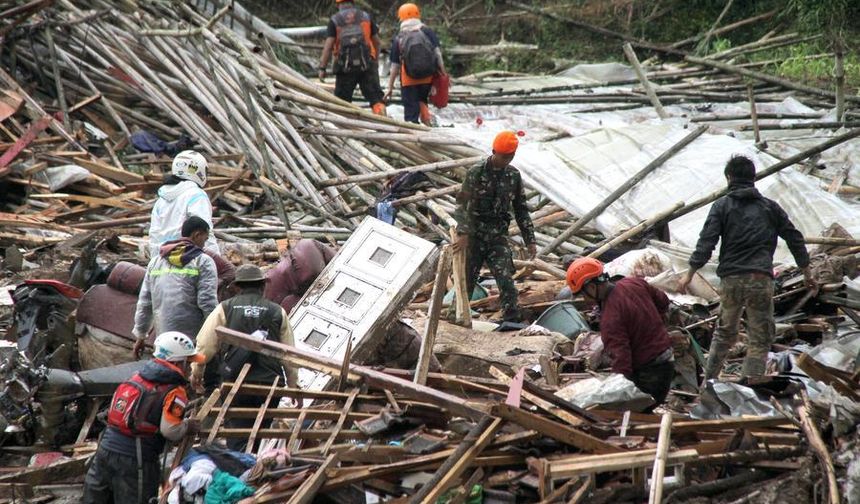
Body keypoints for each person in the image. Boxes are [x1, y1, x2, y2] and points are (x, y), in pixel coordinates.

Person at [678, 155, 815, 383]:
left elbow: (706, 243)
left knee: (724, 333)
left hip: (731, 280)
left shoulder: (721, 206)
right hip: (760, 279)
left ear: (728, 178)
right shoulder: (770, 208)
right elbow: (795, 239)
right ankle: (750, 387)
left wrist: (689, 274)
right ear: (753, 177)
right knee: (760, 338)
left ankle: (708, 384)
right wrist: (807, 272)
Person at [83, 331, 203, 504]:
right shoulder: (175, 390)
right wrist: (188, 426)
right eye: (189, 363)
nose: (190, 368)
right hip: (136, 459)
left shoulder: (137, 376)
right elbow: (171, 431)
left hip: (105, 448)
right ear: (178, 362)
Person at [191, 264, 298, 451]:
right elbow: (289, 355)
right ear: (262, 286)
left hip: (236, 382)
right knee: (260, 434)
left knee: (238, 433)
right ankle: (254, 462)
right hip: (270, 383)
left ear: (237, 287)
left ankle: (240, 462)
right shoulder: (277, 311)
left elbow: (205, 346)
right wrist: (293, 385)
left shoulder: (225, 308)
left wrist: (196, 373)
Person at [566, 257, 675, 407]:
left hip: (650, 374)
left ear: (591, 287)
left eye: (583, 294)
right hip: (667, 359)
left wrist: (615, 388)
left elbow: (621, 360)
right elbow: (663, 301)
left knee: (632, 415)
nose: (585, 300)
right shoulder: (634, 283)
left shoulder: (611, 318)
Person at [454, 131, 536, 322]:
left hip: (497, 237)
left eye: (510, 157)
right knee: (466, 281)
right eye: (503, 157)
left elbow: (521, 209)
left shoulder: (513, 176)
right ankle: (456, 316)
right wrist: (463, 232)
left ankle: (512, 319)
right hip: (474, 236)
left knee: (506, 279)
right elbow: (461, 204)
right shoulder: (476, 172)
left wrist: (530, 240)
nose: (506, 161)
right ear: (493, 152)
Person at [133, 216, 218, 359]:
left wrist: (141, 335)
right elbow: (207, 302)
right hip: (192, 340)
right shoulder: (203, 261)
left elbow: (145, 302)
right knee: (188, 371)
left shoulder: (156, 261)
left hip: (164, 338)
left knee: (165, 370)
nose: (204, 244)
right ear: (197, 235)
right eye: (205, 239)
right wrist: (213, 335)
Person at [318, 0, 387, 116]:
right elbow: (377, 42)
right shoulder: (365, 16)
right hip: (367, 64)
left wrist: (322, 68)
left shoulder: (335, 20)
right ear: (353, 2)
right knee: (376, 98)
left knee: (342, 102)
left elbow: (328, 47)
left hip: (344, 67)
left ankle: (345, 125)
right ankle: (383, 121)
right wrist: (374, 62)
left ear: (338, 4)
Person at [383, 3, 446, 125]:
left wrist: (390, 87)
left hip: (408, 80)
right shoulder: (427, 32)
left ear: (401, 17)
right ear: (418, 14)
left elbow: (395, 66)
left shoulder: (399, 37)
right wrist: (443, 72)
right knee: (422, 100)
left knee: (411, 112)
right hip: (427, 77)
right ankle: (428, 124)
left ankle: (413, 130)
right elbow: (438, 54)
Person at [148, 150, 219, 257]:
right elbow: (204, 231)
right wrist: (215, 258)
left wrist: (155, 260)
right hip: (187, 257)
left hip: (162, 256)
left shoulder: (161, 200)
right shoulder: (196, 195)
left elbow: (154, 234)